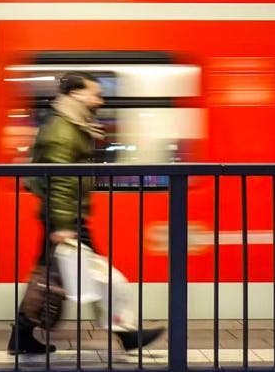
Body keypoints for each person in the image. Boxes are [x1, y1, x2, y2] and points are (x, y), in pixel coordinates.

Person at [9, 71, 165, 355]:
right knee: (95, 273)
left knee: (50, 275)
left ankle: (22, 336)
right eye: (94, 92)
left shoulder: (72, 123)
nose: (99, 99)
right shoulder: (63, 129)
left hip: (64, 213)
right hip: (65, 214)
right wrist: (64, 223)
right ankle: (125, 333)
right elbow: (61, 180)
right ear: (75, 94)